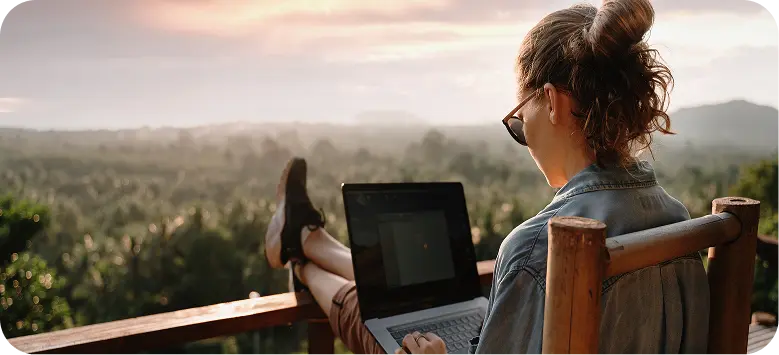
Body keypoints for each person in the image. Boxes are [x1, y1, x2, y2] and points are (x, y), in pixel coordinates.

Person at [263, 0, 710, 353]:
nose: (524, 136)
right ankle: (308, 240)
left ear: (552, 102)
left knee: (368, 313)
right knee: (410, 295)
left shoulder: (539, 249)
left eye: (520, 120)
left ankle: (302, 256)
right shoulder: (680, 222)